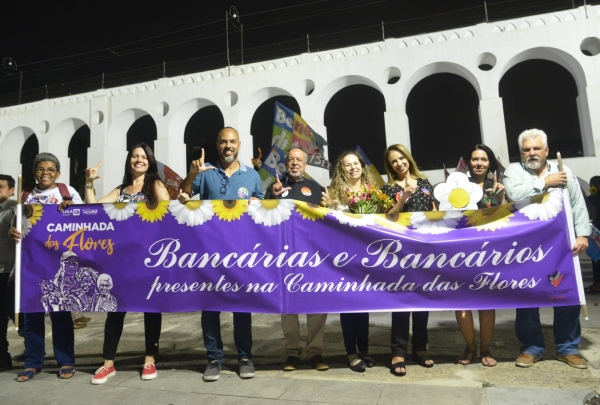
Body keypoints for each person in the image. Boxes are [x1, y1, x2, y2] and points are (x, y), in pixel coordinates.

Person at [179, 126, 263, 381]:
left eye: (232, 142)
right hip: (209, 254)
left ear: (239, 145)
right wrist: (191, 175)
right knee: (210, 308)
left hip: (242, 254)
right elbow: (182, 197)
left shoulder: (252, 176)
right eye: (223, 142)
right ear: (217, 145)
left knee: (242, 307)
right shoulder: (206, 173)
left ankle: (244, 357)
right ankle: (214, 358)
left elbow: (261, 204)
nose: (228, 146)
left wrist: (259, 202)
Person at [503, 128, 590, 369]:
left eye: (536, 148)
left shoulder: (564, 170)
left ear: (546, 150)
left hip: (561, 246)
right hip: (527, 249)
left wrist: (582, 233)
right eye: (526, 149)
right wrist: (545, 182)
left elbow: (577, 204)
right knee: (527, 297)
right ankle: (532, 348)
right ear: (521, 153)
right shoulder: (513, 171)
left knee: (567, 295)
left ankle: (567, 348)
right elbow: (514, 194)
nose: (531, 153)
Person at [84, 143, 169, 384]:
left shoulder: (155, 185)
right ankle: (108, 363)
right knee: (115, 310)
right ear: (129, 160)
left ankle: (150, 360)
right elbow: (93, 208)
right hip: (121, 260)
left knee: (151, 310)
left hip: (150, 258)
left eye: (143, 157)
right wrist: (90, 183)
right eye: (135, 156)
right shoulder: (121, 189)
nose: (139, 160)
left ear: (149, 162)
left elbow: (168, 214)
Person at [9, 153, 82, 382]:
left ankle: (66, 360)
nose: (45, 173)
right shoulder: (25, 195)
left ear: (58, 173)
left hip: (58, 263)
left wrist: (72, 209)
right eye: (41, 169)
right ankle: (33, 362)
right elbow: (18, 225)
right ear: (34, 173)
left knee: (60, 314)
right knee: (32, 316)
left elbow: (86, 221)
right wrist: (14, 230)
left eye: (51, 169)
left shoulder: (67, 192)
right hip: (31, 264)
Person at [265, 146, 328, 372]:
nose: (294, 163)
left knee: (317, 305)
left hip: (312, 256)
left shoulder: (315, 187)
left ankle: (315, 352)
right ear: (286, 164)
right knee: (288, 305)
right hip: (285, 258)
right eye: (290, 159)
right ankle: (292, 353)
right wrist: (273, 195)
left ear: (305, 164)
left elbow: (327, 219)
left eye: (298, 160)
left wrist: (329, 206)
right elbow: (263, 217)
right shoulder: (276, 187)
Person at [380, 144, 436, 377]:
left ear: (408, 159)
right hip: (400, 252)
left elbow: (435, 212)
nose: (399, 163)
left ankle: (420, 349)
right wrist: (403, 198)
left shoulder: (425, 183)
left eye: (401, 158)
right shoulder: (388, 188)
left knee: (423, 299)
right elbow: (388, 217)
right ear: (390, 166)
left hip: (424, 249)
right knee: (402, 302)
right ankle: (398, 352)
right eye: (394, 161)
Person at [321, 150, 377, 372]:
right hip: (344, 256)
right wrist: (329, 207)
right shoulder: (334, 192)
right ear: (341, 169)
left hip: (367, 255)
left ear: (362, 166)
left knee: (364, 304)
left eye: (356, 163)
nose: (353, 167)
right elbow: (327, 222)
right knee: (348, 305)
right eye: (347, 165)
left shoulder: (373, 191)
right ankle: (350, 352)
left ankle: (364, 349)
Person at [455, 144, 505, 367]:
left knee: (487, 303)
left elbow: (507, 221)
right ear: (468, 162)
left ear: (490, 163)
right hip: (461, 253)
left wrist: (502, 199)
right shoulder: (458, 186)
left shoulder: (498, 187)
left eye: (483, 159)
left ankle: (485, 348)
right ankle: (470, 346)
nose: (479, 163)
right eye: (475, 159)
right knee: (462, 303)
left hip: (488, 254)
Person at [0, 174, 17, 371]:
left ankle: (32, 352)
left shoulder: (15, 208)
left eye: (1, 187)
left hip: (10, 273)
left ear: (12, 190)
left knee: (18, 316)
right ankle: (2, 358)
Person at [585, 176, 600, 293]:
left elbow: (593, 216)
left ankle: (597, 284)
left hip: (596, 231)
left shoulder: (591, 199)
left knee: (596, 258)